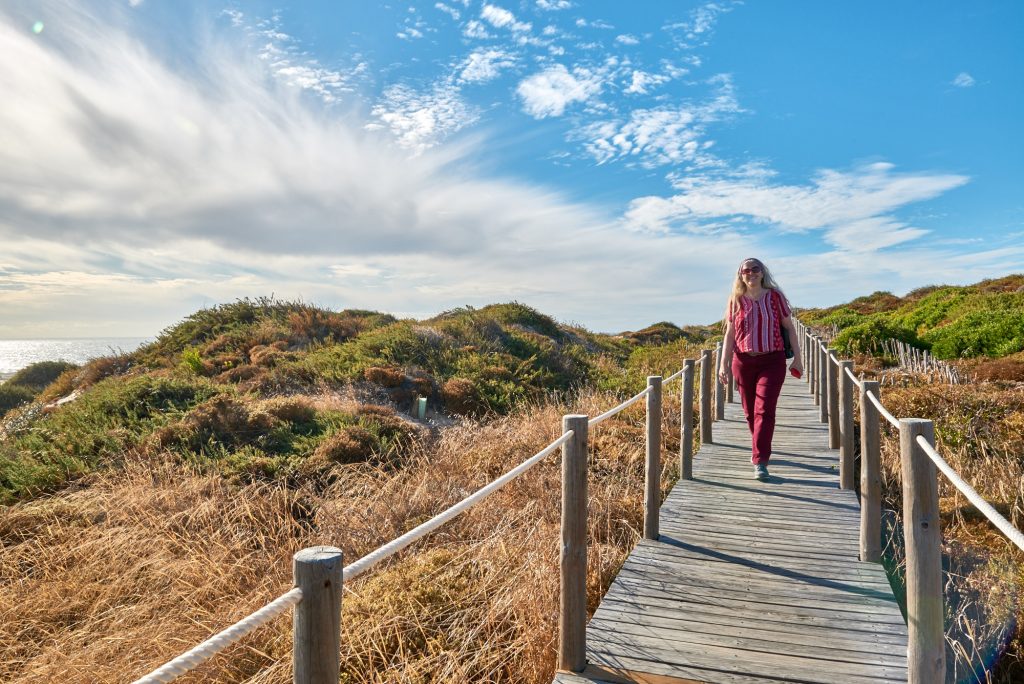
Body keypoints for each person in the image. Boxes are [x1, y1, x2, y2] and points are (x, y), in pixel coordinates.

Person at [717, 257, 803, 481]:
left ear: (763, 272)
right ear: (740, 275)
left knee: (764, 410)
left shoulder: (775, 297)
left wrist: (798, 359)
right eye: (746, 270)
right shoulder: (735, 300)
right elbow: (729, 335)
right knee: (749, 412)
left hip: (772, 360)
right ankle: (760, 446)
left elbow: (790, 328)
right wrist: (723, 364)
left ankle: (760, 461)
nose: (751, 273)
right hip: (743, 361)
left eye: (755, 269)